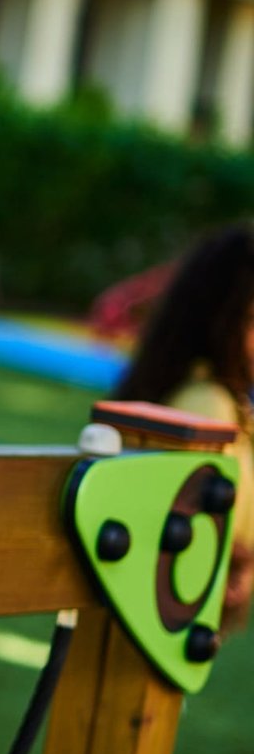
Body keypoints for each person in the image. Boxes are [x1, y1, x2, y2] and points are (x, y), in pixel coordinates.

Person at [112, 223, 254, 628]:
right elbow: (170, 547)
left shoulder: (225, 401)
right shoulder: (206, 407)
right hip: (153, 632)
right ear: (219, 318)